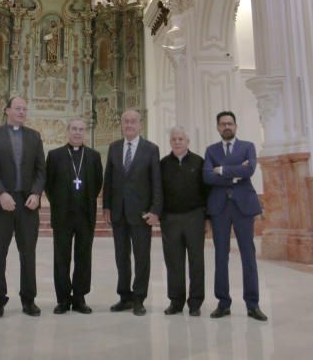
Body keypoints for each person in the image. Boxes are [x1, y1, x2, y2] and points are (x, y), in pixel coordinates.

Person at [0, 96, 45, 318]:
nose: (22, 112)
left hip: (27, 205)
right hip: (1, 205)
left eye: (25, 109)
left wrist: (37, 193)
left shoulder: (34, 137)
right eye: (18, 108)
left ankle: (29, 300)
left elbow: (40, 170)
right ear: (7, 110)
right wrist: (1, 193)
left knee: (28, 254)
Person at [203, 110, 267, 321]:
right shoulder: (211, 150)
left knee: (248, 255)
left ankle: (252, 304)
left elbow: (249, 172)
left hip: (243, 207)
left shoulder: (248, 146)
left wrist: (221, 170)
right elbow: (207, 176)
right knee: (220, 255)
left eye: (230, 123)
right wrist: (236, 172)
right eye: (223, 124)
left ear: (236, 126)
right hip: (220, 208)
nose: (227, 127)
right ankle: (223, 303)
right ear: (218, 127)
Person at [103, 109, 162, 316]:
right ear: (121, 124)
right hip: (118, 212)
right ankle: (124, 297)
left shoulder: (151, 149)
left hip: (141, 214)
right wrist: (106, 207)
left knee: (142, 257)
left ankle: (139, 298)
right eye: (125, 121)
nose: (129, 124)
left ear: (140, 125)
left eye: (133, 121)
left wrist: (155, 210)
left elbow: (156, 183)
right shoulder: (114, 148)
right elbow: (108, 180)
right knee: (121, 256)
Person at [45, 119, 103, 314]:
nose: (78, 132)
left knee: (83, 257)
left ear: (85, 132)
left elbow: (97, 183)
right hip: (62, 215)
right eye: (74, 129)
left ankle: (79, 298)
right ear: (67, 131)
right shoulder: (55, 156)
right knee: (61, 257)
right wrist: (59, 203)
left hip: (86, 215)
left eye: (81, 129)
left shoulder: (94, 156)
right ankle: (62, 299)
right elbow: (49, 185)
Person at [160, 127, 208, 317]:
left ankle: (195, 303)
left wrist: (207, 218)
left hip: (194, 217)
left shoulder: (199, 162)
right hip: (170, 219)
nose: (177, 142)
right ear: (170, 142)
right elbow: (158, 191)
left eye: (181, 139)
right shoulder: (163, 164)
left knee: (196, 261)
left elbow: (207, 191)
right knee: (174, 262)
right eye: (174, 139)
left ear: (187, 141)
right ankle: (176, 301)